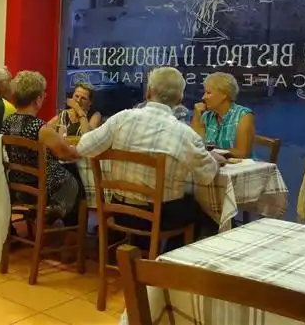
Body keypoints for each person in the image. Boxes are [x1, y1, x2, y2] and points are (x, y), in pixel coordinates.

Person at [76, 67, 224, 251]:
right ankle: (164, 263)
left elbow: (83, 146)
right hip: (159, 216)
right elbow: (207, 175)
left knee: (178, 204)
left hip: (118, 210)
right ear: (179, 100)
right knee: (201, 210)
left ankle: (138, 255)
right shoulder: (184, 134)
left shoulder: (122, 118)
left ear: (148, 92)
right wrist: (214, 159)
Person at [2, 70, 82, 221]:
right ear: (37, 99)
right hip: (40, 188)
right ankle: (61, 218)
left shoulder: (7, 122)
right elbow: (66, 154)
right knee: (75, 181)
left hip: (14, 184)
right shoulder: (41, 129)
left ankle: (48, 217)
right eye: (43, 94)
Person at [191, 72, 255, 158]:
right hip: (213, 165)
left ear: (224, 94)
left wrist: (213, 153)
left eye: (208, 93)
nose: (203, 97)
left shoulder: (244, 116)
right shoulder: (206, 115)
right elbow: (194, 146)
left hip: (238, 167)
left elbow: (242, 153)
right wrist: (196, 117)